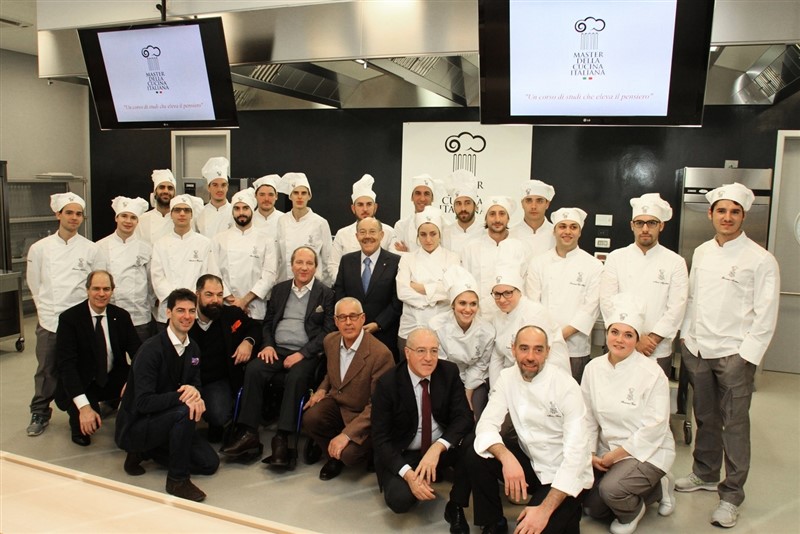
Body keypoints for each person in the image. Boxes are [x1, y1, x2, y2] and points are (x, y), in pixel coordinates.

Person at [675, 182, 780, 528]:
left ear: (743, 216)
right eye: (721, 210)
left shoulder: (761, 259)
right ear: (710, 214)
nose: (727, 217)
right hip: (699, 348)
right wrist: (688, 340)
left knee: (734, 425)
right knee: (705, 416)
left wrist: (746, 356)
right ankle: (705, 472)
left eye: (734, 211)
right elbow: (692, 299)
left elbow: (766, 314)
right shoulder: (703, 251)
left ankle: (731, 494)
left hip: (734, 353)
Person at [468, 325, 594, 534]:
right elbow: (486, 424)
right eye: (524, 348)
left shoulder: (565, 386)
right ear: (513, 349)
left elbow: (576, 457)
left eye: (538, 349)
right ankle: (493, 523)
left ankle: (566, 512)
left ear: (547, 352)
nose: (530, 356)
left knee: (531, 529)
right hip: (531, 460)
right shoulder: (507, 377)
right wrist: (507, 458)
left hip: (562, 475)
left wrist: (544, 510)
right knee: (476, 451)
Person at [220, 247, 335, 465]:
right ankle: (248, 433)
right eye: (299, 262)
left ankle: (283, 437)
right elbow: (268, 322)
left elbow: (327, 332)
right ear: (291, 265)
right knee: (254, 369)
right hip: (277, 349)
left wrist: (302, 353)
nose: (303, 267)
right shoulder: (280, 289)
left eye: (309, 263)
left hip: (306, 353)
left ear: (315, 267)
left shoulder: (326, 294)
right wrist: (268, 345)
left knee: (296, 377)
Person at [582, 294, 676, 534]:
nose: (619, 340)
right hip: (607, 450)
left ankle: (633, 512)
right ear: (607, 334)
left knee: (612, 491)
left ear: (637, 339)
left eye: (628, 335)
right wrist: (592, 452)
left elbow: (654, 428)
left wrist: (615, 456)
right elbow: (588, 417)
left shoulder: (652, 373)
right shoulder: (593, 368)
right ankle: (657, 489)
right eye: (615, 332)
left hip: (647, 450)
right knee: (592, 508)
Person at [115, 288, 219, 502]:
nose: (187, 316)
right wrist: (186, 398)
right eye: (180, 310)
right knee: (185, 410)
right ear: (168, 313)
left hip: (169, 419)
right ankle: (177, 480)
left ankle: (145, 451)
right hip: (138, 424)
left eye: (192, 311)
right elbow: (143, 402)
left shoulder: (193, 350)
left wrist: (196, 393)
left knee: (209, 464)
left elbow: (195, 384)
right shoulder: (150, 350)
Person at [371, 328, 474, 534]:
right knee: (399, 501)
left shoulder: (449, 372)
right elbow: (380, 439)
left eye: (434, 351)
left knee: (474, 443)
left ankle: (455, 505)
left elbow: (464, 417)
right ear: (407, 353)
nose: (429, 358)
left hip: (440, 447)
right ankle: (421, 478)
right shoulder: (387, 383)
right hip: (405, 453)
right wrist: (409, 476)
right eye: (421, 351)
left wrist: (438, 447)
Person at [26, 192, 97, 437]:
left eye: (78, 214)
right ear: (58, 214)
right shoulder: (40, 249)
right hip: (50, 319)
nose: (74, 218)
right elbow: (34, 284)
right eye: (69, 212)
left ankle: (77, 409)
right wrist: (45, 310)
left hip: (78, 322)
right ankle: (40, 411)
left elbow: (93, 284)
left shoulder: (90, 249)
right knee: (46, 369)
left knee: (78, 367)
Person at [302, 297, 395, 480]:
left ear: (363, 319)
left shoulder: (381, 355)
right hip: (338, 405)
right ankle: (332, 456)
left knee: (350, 456)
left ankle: (366, 452)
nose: (348, 322)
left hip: (364, 415)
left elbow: (377, 406)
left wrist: (346, 435)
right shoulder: (330, 341)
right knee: (311, 417)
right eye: (342, 317)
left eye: (353, 316)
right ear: (335, 321)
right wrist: (322, 389)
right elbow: (331, 373)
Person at [599, 193, 688, 377]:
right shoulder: (616, 258)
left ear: (661, 225)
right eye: (639, 223)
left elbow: (676, 308)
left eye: (652, 223)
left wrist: (651, 339)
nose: (645, 228)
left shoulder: (675, 262)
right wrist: (633, 339)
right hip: (620, 345)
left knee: (653, 400)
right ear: (632, 225)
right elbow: (607, 302)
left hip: (655, 348)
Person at [55, 270, 142, 446]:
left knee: (133, 423)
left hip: (113, 376)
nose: (101, 294)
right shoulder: (69, 319)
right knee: (87, 429)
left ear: (112, 290)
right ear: (87, 290)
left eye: (106, 289)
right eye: (96, 288)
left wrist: (133, 381)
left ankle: (116, 405)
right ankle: (81, 412)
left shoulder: (121, 316)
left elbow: (139, 354)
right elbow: (67, 367)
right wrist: (84, 407)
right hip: (82, 380)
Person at [526, 208, 602, 383]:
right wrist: (545, 338)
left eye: (573, 227)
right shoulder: (538, 263)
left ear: (580, 232)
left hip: (575, 348)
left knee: (571, 399)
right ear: (554, 231)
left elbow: (590, 308)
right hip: (541, 346)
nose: (567, 231)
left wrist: (558, 335)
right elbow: (532, 304)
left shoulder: (594, 265)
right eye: (562, 226)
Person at [190, 274, 261, 443]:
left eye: (219, 295)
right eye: (209, 294)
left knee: (219, 415)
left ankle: (215, 424)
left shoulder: (230, 314)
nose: (215, 300)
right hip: (188, 378)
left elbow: (255, 328)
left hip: (216, 380)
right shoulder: (186, 316)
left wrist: (248, 342)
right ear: (197, 294)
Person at [489, 259, 571, 387]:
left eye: (508, 293)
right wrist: (494, 390)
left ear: (519, 292)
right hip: (517, 375)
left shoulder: (534, 313)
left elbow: (534, 358)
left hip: (545, 377)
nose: (502, 299)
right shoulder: (498, 317)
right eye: (497, 294)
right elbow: (497, 357)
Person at [429, 265, 495, 420]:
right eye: (462, 303)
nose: (468, 309)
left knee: (474, 417)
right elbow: (441, 363)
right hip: (444, 378)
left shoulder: (487, 331)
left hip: (474, 381)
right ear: (453, 304)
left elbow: (480, 365)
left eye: (473, 304)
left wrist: (467, 392)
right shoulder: (436, 326)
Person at [333, 217, 403, 361]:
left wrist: (378, 324)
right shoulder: (347, 261)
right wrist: (352, 322)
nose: (367, 237)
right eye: (363, 232)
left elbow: (397, 300)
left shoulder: (395, 262)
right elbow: (340, 294)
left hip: (384, 334)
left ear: (381, 235)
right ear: (357, 236)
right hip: (351, 332)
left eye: (372, 232)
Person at [396, 206, 460, 353]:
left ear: (440, 235)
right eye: (423, 234)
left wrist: (421, 288)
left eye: (433, 234)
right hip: (411, 327)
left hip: (443, 328)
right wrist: (433, 297)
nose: (428, 239)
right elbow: (402, 292)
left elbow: (452, 292)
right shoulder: (407, 259)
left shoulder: (452, 258)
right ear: (417, 236)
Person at [150, 194, 219, 325]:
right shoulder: (160, 244)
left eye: (186, 210)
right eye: (177, 210)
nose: (182, 213)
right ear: (171, 214)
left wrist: (193, 299)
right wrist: (177, 300)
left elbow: (209, 276)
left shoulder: (204, 243)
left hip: (196, 310)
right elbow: (157, 277)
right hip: (169, 310)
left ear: (192, 215)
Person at [212, 188, 278, 321]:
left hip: (255, 308)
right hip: (226, 306)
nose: (241, 212)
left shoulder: (266, 240)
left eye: (245, 208)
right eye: (237, 208)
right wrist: (233, 301)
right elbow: (214, 273)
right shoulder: (218, 239)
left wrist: (244, 301)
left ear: (252, 210)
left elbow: (269, 275)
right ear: (232, 212)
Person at [95, 196, 154, 342]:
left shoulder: (146, 248)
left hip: (139, 315)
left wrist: (149, 304)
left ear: (137, 221)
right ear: (116, 218)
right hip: (110, 313)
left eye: (133, 217)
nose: (128, 221)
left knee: (140, 359)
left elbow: (151, 281)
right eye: (124, 216)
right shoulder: (100, 247)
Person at [460, 196, 527, 314]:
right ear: (485, 218)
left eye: (502, 214)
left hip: (512, 314)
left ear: (508, 218)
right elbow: (466, 284)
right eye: (492, 214)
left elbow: (524, 284)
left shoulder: (519, 247)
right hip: (480, 315)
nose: (497, 219)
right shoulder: (471, 248)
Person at [327, 174, 395, 281]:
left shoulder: (389, 232)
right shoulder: (342, 234)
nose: (365, 209)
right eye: (360, 205)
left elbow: (393, 267)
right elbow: (333, 266)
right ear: (353, 208)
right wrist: (348, 284)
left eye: (369, 204)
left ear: (375, 207)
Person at [275, 172, 333, 284]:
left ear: (309, 196)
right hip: (286, 284)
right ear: (290, 196)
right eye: (296, 193)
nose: (300, 197)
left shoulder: (320, 222)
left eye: (304, 193)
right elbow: (278, 258)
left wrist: (323, 287)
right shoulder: (282, 220)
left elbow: (327, 259)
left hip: (313, 285)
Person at [509, 179, 556, 258]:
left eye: (539, 201)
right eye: (528, 201)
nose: (533, 206)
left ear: (547, 204)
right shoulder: (509, 234)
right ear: (522, 204)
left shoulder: (557, 235)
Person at [392, 173, 437, 254]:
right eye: (418, 193)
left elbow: (443, 255)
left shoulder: (444, 225)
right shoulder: (401, 225)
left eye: (426, 194)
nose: (422, 199)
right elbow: (395, 254)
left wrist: (406, 254)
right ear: (412, 197)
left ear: (433, 198)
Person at [442, 170, 483, 255]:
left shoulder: (485, 232)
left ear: (475, 205)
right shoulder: (444, 234)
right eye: (458, 203)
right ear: (453, 207)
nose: (463, 208)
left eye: (467, 203)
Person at [136, 169, 177, 245]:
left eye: (170, 188)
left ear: (174, 194)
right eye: (162, 187)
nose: (166, 191)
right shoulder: (142, 220)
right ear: (155, 192)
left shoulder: (180, 219)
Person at [196, 156, 233, 239]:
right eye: (215, 185)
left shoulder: (234, 212)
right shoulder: (200, 213)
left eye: (223, 185)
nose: (220, 189)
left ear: (227, 187)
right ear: (208, 187)